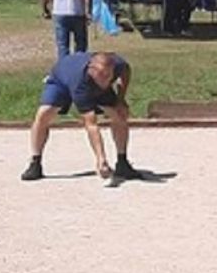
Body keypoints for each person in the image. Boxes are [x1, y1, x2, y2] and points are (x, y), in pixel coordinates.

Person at [21, 51, 135, 186]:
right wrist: (101, 159)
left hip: (91, 84)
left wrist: (120, 99)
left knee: (119, 115)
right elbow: (91, 124)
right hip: (61, 82)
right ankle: (35, 162)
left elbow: (126, 70)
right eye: (101, 75)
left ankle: (123, 162)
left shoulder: (116, 64)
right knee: (44, 114)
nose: (106, 80)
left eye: (109, 75)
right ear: (91, 70)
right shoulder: (80, 82)